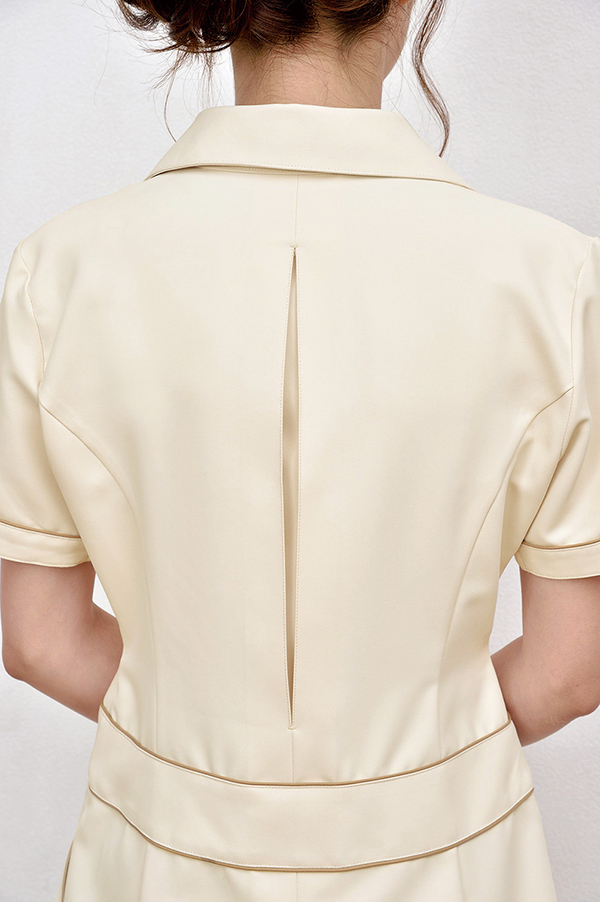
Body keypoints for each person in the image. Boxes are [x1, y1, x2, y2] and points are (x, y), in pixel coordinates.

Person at [1, 0, 599, 900]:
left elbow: (40, 639)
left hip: (155, 864)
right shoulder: (556, 281)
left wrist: (194, 750)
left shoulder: (58, 273)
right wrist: (420, 762)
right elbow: (568, 670)